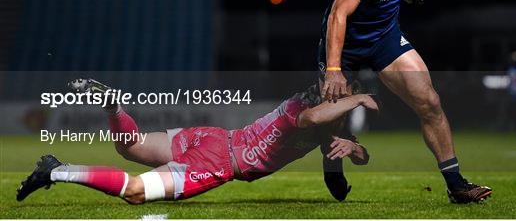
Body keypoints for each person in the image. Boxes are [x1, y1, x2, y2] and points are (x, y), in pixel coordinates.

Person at [317, 0, 491, 203]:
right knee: (334, 120)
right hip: (347, 47)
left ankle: (456, 185)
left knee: (430, 102)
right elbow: (338, 16)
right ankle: (332, 163)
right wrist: (333, 70)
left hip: (385, 39)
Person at [16, 79, 378, 204]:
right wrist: (359, 99)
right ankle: (57, 171)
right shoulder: (304, 108)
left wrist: (355, 149)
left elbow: (338, 176)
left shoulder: (329, 126)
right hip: (219, 160)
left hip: (211, 139)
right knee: (136, 191)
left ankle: (113, 106)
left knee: (130, 145)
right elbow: (313, 118)